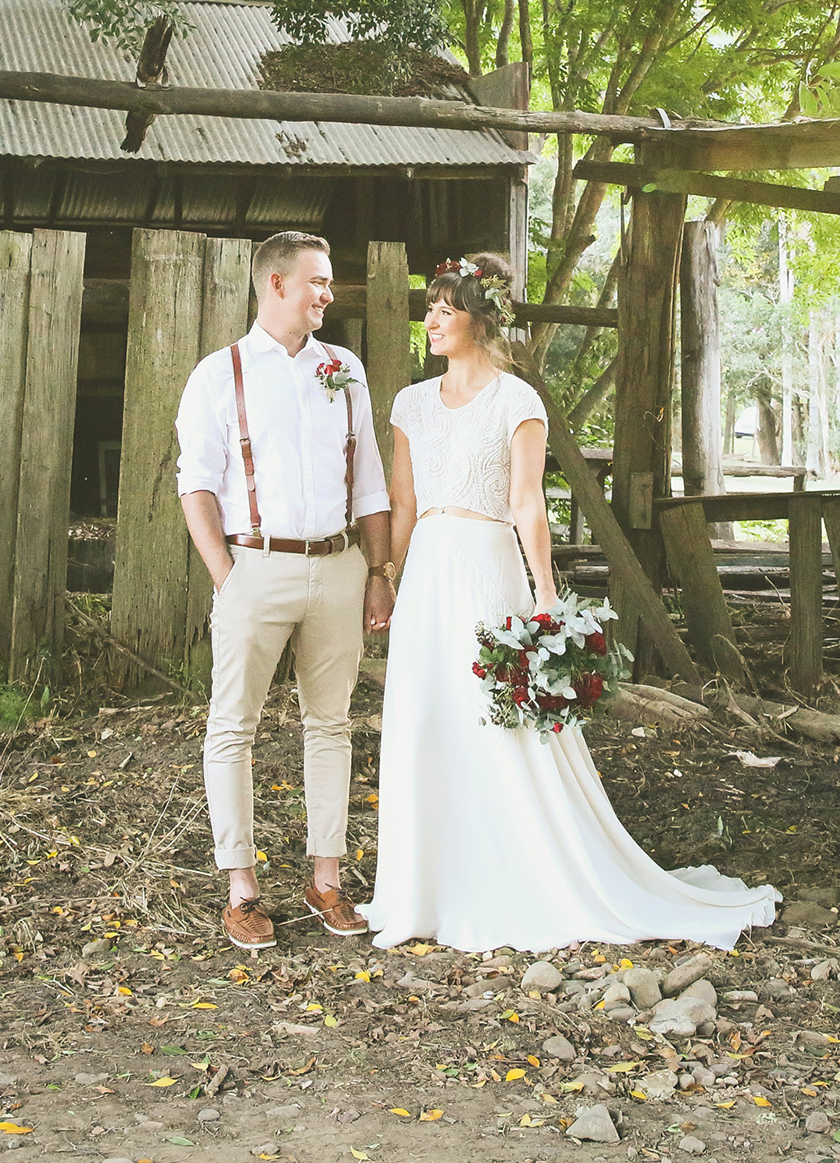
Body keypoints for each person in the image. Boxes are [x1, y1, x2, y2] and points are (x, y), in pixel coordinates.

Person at [358, 251, 779, 954]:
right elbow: (402, 501)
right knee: (425, 717)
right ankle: (422, 890)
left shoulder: (516, 401)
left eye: (445, 308)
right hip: (428, 570)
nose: (431, 318)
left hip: (490, 569)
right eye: (428, 306)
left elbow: (527, 505)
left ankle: (514, 877)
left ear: (481, 319)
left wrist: (546, 601)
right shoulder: (410, 403)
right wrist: (386, 575)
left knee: (498, 722)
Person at [176, 230, 395, 953]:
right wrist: (226, 575)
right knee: (232, 728)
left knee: (330, 725)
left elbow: (368, 481)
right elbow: (196, 484)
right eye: (317, 282)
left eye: (328, 282)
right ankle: (242, 890)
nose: (327, 293)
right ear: (276, 285)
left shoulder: (345, 369)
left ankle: (325, 880)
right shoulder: (220, 373)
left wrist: (377, 569)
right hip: (253, 566)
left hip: (336, 566)